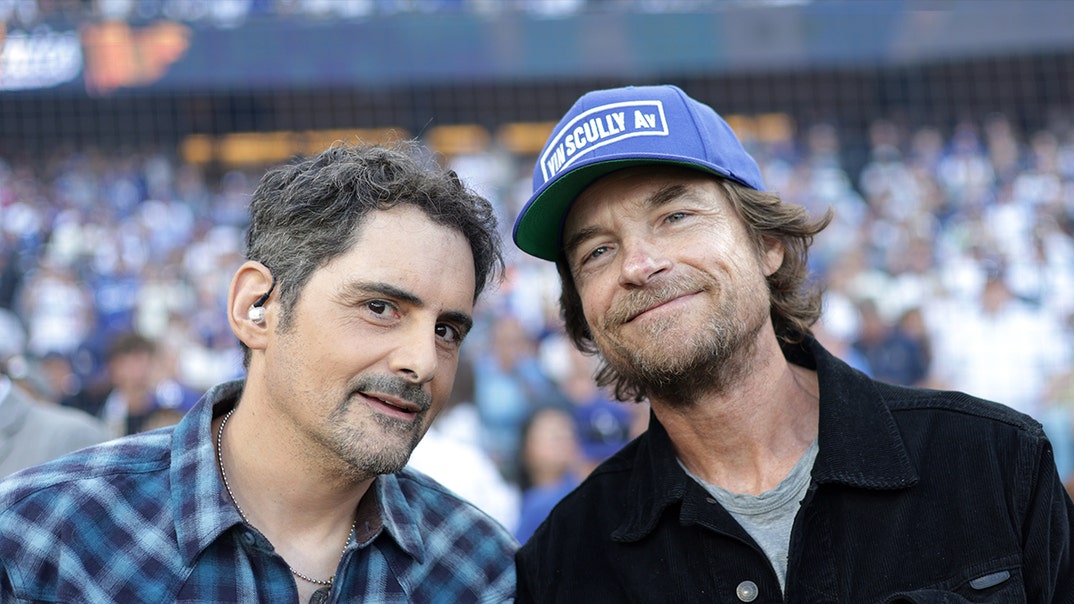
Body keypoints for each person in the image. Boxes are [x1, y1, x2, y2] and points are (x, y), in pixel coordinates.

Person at [510, 84, 1074, 602]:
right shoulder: (560, 565)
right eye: (597, 252)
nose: (638, 264)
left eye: (676, 215)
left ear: (768, 245)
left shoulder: (998, 464)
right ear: (582, 312)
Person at [0, 141, 517, 603]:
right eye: (380, 308)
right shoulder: (41, 540)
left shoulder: (484, 572)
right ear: (257, 307)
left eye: (447, 331)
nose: (423, 362)